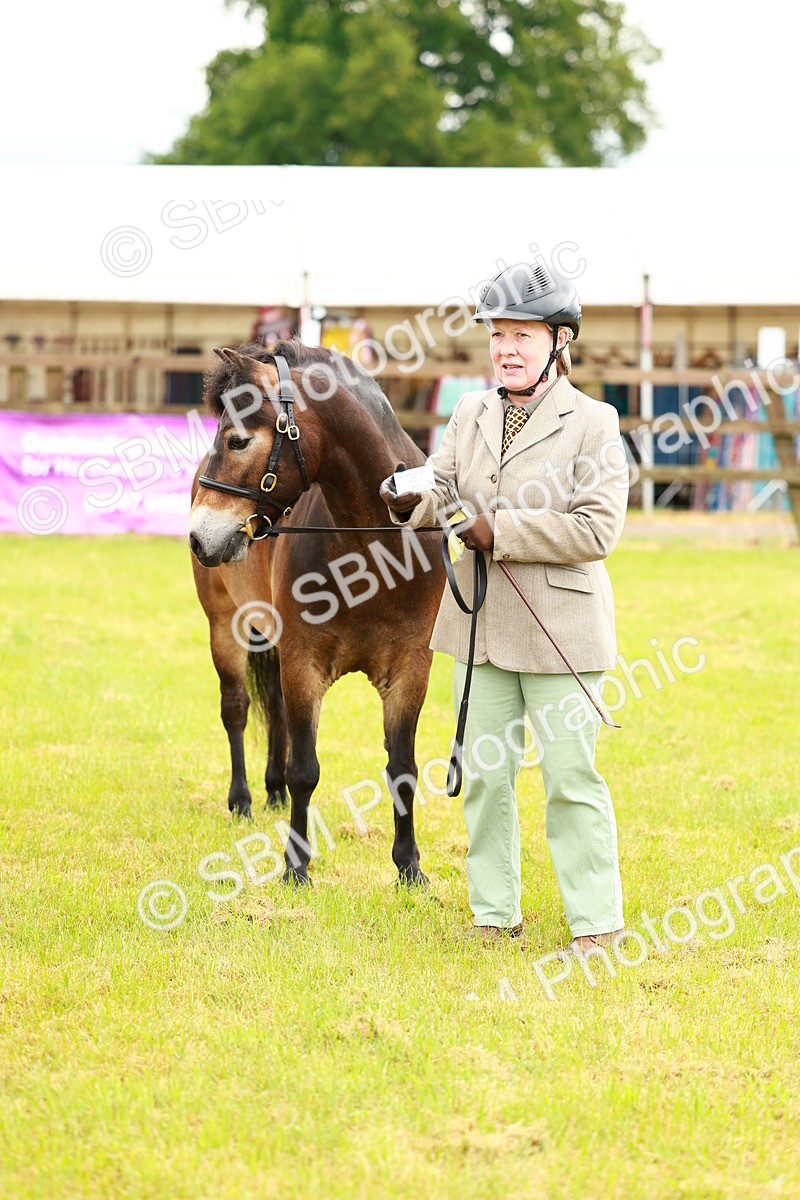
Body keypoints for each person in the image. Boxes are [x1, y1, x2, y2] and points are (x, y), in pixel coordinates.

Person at [379, 261, 628, 951]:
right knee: (486, 778)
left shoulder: (595, 424)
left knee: (570, 779)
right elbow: (443, 484)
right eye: (498, 335)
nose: (508, 348)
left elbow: (597, 529)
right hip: (480, 628)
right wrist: (411, 500)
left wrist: (504, 532)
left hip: (561, 631)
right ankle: (494, 912)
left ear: (559, 341)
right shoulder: (470, 411)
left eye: (523, 335)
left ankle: (596, 924)